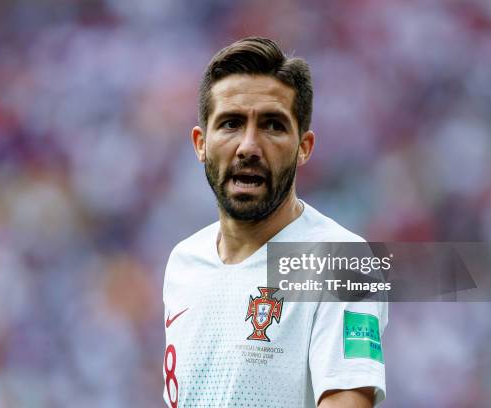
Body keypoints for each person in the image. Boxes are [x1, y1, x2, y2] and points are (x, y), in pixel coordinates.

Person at [163, 37, 387, 408]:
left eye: (272, 125)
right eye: (231, 123)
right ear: (200, 143)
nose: (249, 146)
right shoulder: (184, 262)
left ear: (304, 146)